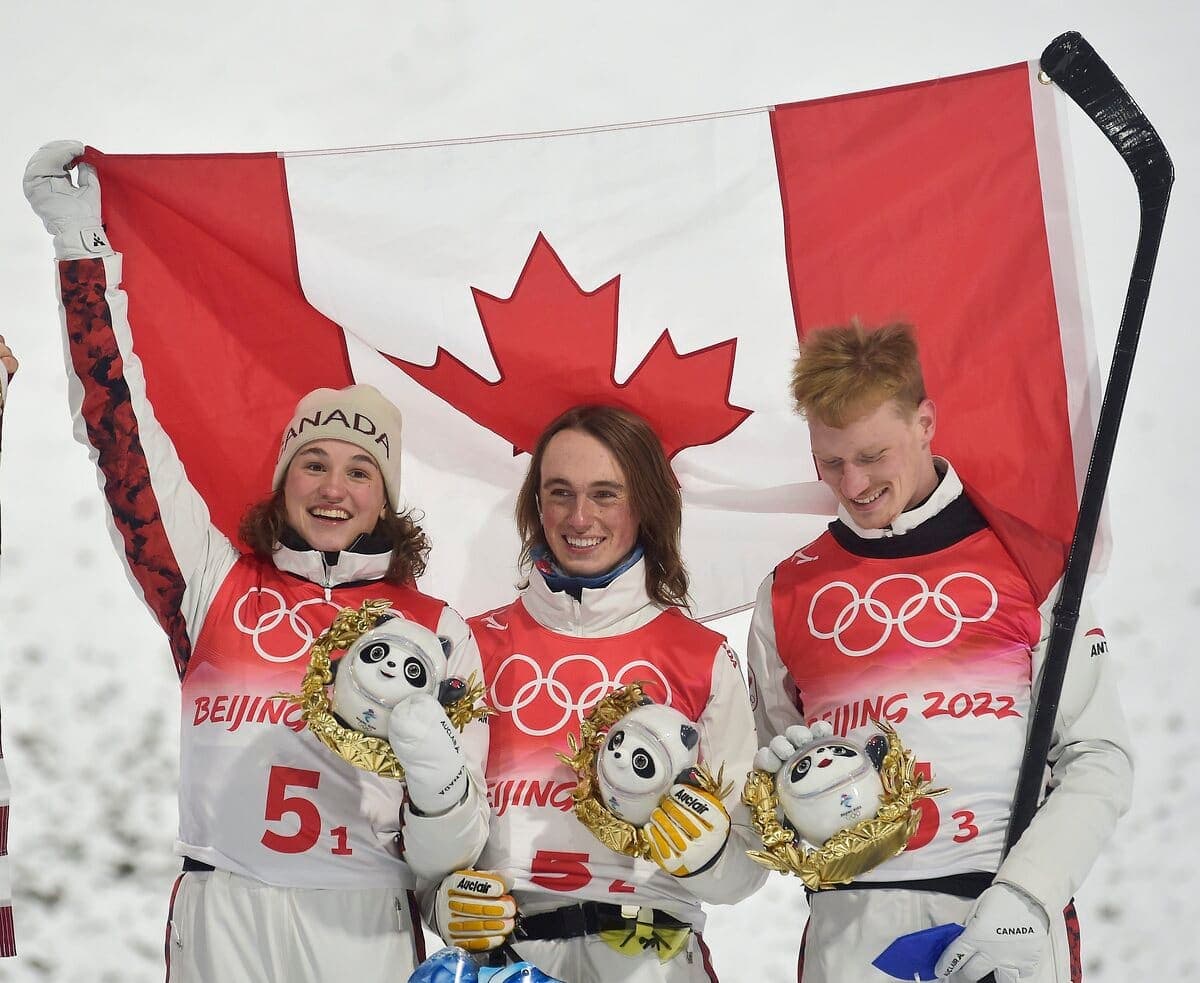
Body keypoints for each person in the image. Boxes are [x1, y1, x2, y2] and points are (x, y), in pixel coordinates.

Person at [23, 142, 490, 982]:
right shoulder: (214, 584)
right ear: (283, 482)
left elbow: (453, 847)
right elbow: (122, 441)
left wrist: (432, 766)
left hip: (361, 918)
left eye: (360, 472)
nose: (334, 488)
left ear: (386, 499)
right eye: (313, 463)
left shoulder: (436, 632)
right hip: (223, 910)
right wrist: (82, 252)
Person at [746, 321, 1132, 983]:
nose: (853, 481)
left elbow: (1099, 757)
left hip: (995, 920)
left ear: (924, 422)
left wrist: (1029, 893)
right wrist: (773, 806)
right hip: (850, 930)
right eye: (831, 461)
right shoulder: (788, 589)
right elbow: (772, 793)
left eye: (873, 454)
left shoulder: (1029, 561)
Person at [427, 404, 767, 983]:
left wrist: (707, 856)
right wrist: (438, 901)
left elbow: (747, 871)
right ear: (535, 504)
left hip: (651, 957)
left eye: (606, 494)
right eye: (560, 492)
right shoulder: (468, 645)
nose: (580, 517)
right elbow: (426, 815)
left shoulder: (700, 656)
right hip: (507, 959)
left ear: (646, 505)